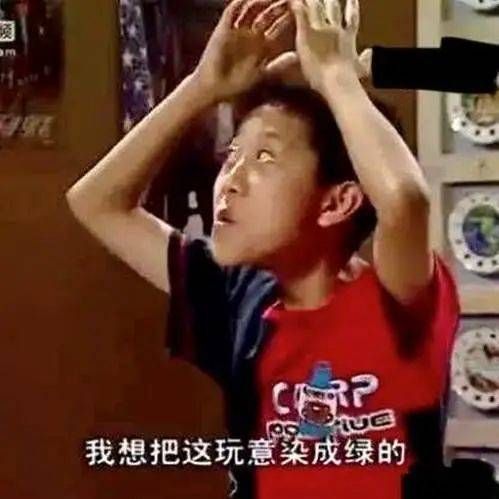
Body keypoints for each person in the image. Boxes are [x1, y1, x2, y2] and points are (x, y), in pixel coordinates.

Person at [66, 0, 460, 498]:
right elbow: (96, 203)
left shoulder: (396, 298)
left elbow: (405, 201)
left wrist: (336, 76)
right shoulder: (237, 298)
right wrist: (201, 87)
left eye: (265, 156)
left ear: (336, 202)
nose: (229, 181)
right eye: (232, 155)